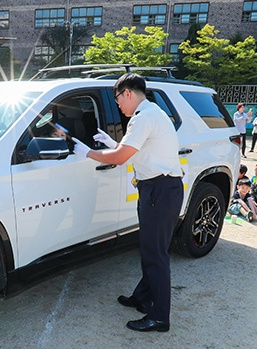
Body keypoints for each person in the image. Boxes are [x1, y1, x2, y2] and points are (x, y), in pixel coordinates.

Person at [74, 72, 183, 333]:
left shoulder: (143, 118)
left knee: (155, 254)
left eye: (118, 100)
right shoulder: (152, 113)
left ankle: (159, 317)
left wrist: (87, 152)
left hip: (159, 190)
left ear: (128, 93)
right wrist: (112, 142)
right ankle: (143, 297)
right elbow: (139, 151)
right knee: (150, 248)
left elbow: (121, 158)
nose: (118, 106)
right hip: (159, 189)